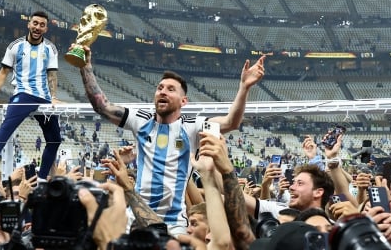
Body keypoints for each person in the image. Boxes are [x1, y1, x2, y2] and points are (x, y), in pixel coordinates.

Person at [75, 43, 265, 235]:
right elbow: (102, 106)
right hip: (137, 216)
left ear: (184, 101)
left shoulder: (192, 126)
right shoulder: (140, 121)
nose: (163, 91)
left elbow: (231, 122)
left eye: (171, 89)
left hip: (173, 223)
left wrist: (244, 87)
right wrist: (85, 67)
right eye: (160, 88)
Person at [0, 11, 62, 180]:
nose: (38, 27)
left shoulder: (50, 49)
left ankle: (41, 178)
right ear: (29, 24)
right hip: (24, 94)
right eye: (35, 23)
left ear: (46, 29)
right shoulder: (15, 46)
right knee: (8, 124)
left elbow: (52, 75)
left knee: (55, 140)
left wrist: (53, 96)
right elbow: (3, 72)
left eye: (42, 25)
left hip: (44, 98)